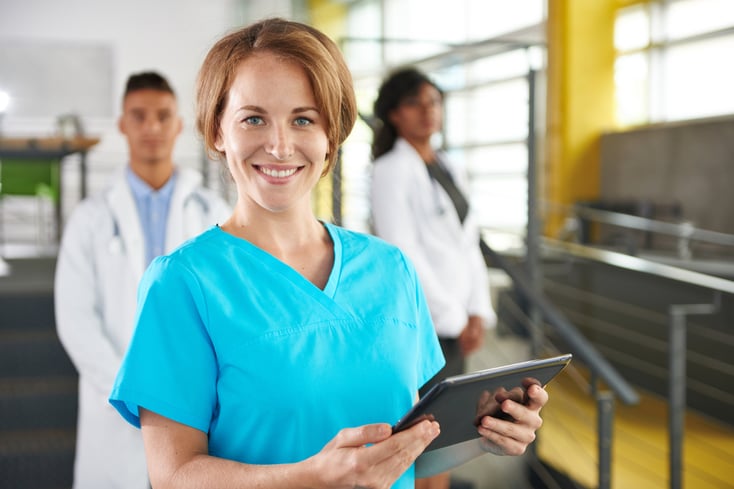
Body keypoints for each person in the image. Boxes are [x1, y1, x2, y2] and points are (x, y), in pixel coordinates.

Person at [108, 18, 547, 489]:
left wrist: (486, 435)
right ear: (217, 130)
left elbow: (405, 456)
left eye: (303, 119)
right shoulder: (184, 283)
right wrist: (306, 478)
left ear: (331, 135)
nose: (279, 146)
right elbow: (173, 474)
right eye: (253, 118)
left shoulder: (391, 269)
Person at [54, 71, 231, 489]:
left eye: (162, 116)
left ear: (179, 125)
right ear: (122, 124)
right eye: (139, 116)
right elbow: (75, 320)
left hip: (197, 399)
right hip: (113, 399)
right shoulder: (90, 217)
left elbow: (227, 310)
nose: (151, 127)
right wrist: (131, 387)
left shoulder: (213, 212)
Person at [370, 67, 498, 489]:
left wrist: (478, 310)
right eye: (414, 103)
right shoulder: (390, 169)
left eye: (434, 102)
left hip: (456, 323)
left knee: (448, 437)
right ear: (393, 114)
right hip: (424, 322)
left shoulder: (448, 167)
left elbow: (469, 244)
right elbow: (402, 253)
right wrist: (455, 318)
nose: (428, 111)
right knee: (424, 442)